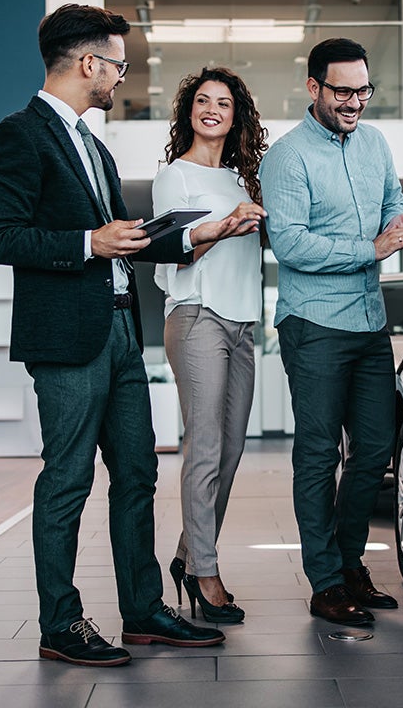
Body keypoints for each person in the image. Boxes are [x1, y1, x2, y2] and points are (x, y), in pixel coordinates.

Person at [0, 3, 254, 667]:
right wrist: (87, 242)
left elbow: (127, 241)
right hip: (68, 342)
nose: (119, 80)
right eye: (117, 66)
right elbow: (0, 237)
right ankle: (61, 623)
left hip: (124, 336)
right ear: (88, 64)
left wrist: (199, 233)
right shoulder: (18, 136)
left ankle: (144, 611)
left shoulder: (95, 148)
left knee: (137, 475)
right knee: (68, 480)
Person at [259, 38, 403, 626]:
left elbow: (392, 201)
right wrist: (371, 248)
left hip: (369, 322)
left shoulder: (374, 143)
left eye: (363, 90)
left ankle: (351, 565)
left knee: (375, 448)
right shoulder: (287, 157)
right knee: (320, 454)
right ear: (313, 89)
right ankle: (326, 582)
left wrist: (395, 224)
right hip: (315, 323)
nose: (354, 102)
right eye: (343, 91)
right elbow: (290, 244)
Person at [152, 67, 268, 624]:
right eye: (202, 100)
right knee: (204, 448)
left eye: (224, 102)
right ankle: (205, 572)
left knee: (230, 451)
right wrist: (223, 228)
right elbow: (171, 252)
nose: (213, 109)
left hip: (243, 323)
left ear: (236, 115)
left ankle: (185, 556)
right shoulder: (175, 177)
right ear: (189, 112)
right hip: (197, 315)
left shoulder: (243, 182)